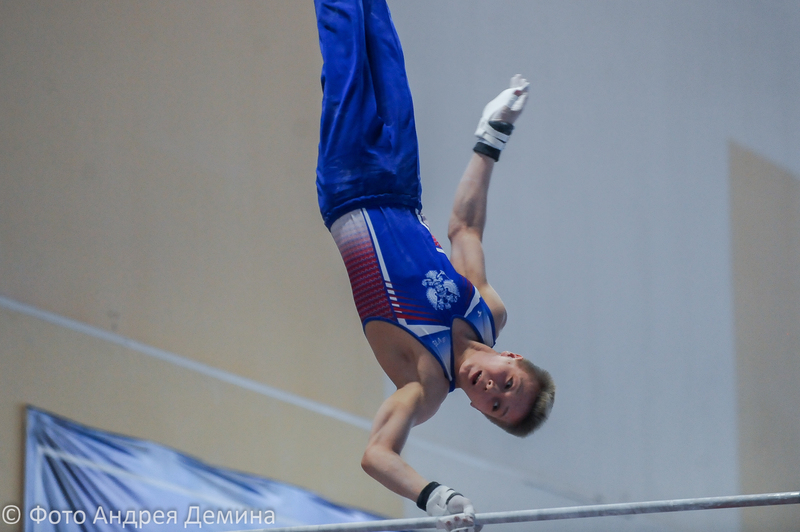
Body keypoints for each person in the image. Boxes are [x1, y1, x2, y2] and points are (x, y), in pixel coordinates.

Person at [313, 0, 555, 529]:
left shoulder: (425, 387)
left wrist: (436, 497)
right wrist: (492, 137)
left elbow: (376, 454)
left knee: (345, 40)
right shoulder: (487, 310)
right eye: (507, 385)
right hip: (403, 184)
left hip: (349, 187)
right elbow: (464, 228)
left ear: (479, 412)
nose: (490, 391)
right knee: (381, 34)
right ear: (512, 358)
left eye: (495, 406)